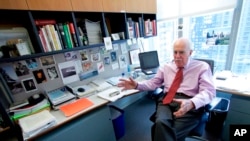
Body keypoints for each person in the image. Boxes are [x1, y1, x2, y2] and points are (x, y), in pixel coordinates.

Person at [117, 37, 216, 141]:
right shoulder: (166, 67)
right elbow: (154, 83)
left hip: (188, 103)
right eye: (175, 52)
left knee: (161, 130)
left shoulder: (202, 67)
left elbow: (209, 91)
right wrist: (137, 85)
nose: (177, 56)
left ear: (190, 52)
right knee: (161, 123)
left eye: (181, 52)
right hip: (167, 101)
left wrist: (192, 102)